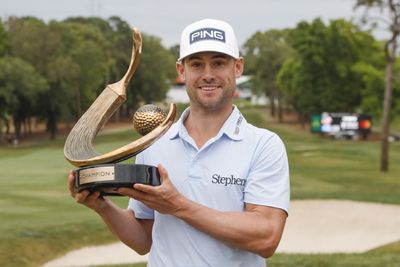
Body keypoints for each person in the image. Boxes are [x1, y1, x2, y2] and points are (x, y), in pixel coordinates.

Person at [69, 18, 290, 267]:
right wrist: (102, 206)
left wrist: (178, 206)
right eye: (197, 64)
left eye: (218, 63)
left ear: (237, 67)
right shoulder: (154, 145)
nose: (208, 75)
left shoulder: (263, 145)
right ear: (181, 70)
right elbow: (143, 239)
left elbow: (266, 237)